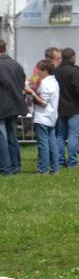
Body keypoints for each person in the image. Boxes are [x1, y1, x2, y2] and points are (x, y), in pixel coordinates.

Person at [25, 60, 61, 175]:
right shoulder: (54, 81)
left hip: (43, 116)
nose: (37, 73)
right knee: (52, 143)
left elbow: (43, 102)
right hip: (51, 116)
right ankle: (55, 168)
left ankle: (43, 169)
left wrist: (31, 92)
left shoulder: (46, 83)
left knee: (43, 145)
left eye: (39, 71)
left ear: (44, 70)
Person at [54, 48, 79, 169]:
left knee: (61, 136)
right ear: (72, 57)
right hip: (74, 107)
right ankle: (72, 162)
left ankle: (60, 161)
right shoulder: (74, 71)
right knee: (73, 135)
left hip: (60, 107)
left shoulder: (56, 71)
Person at [0, 39, 26, 177]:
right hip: (15, 105)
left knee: (2, 138)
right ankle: (16, 166)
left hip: (2, 106)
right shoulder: (16, 65)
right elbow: (22, 83)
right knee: (12, 137)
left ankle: (5, 168)